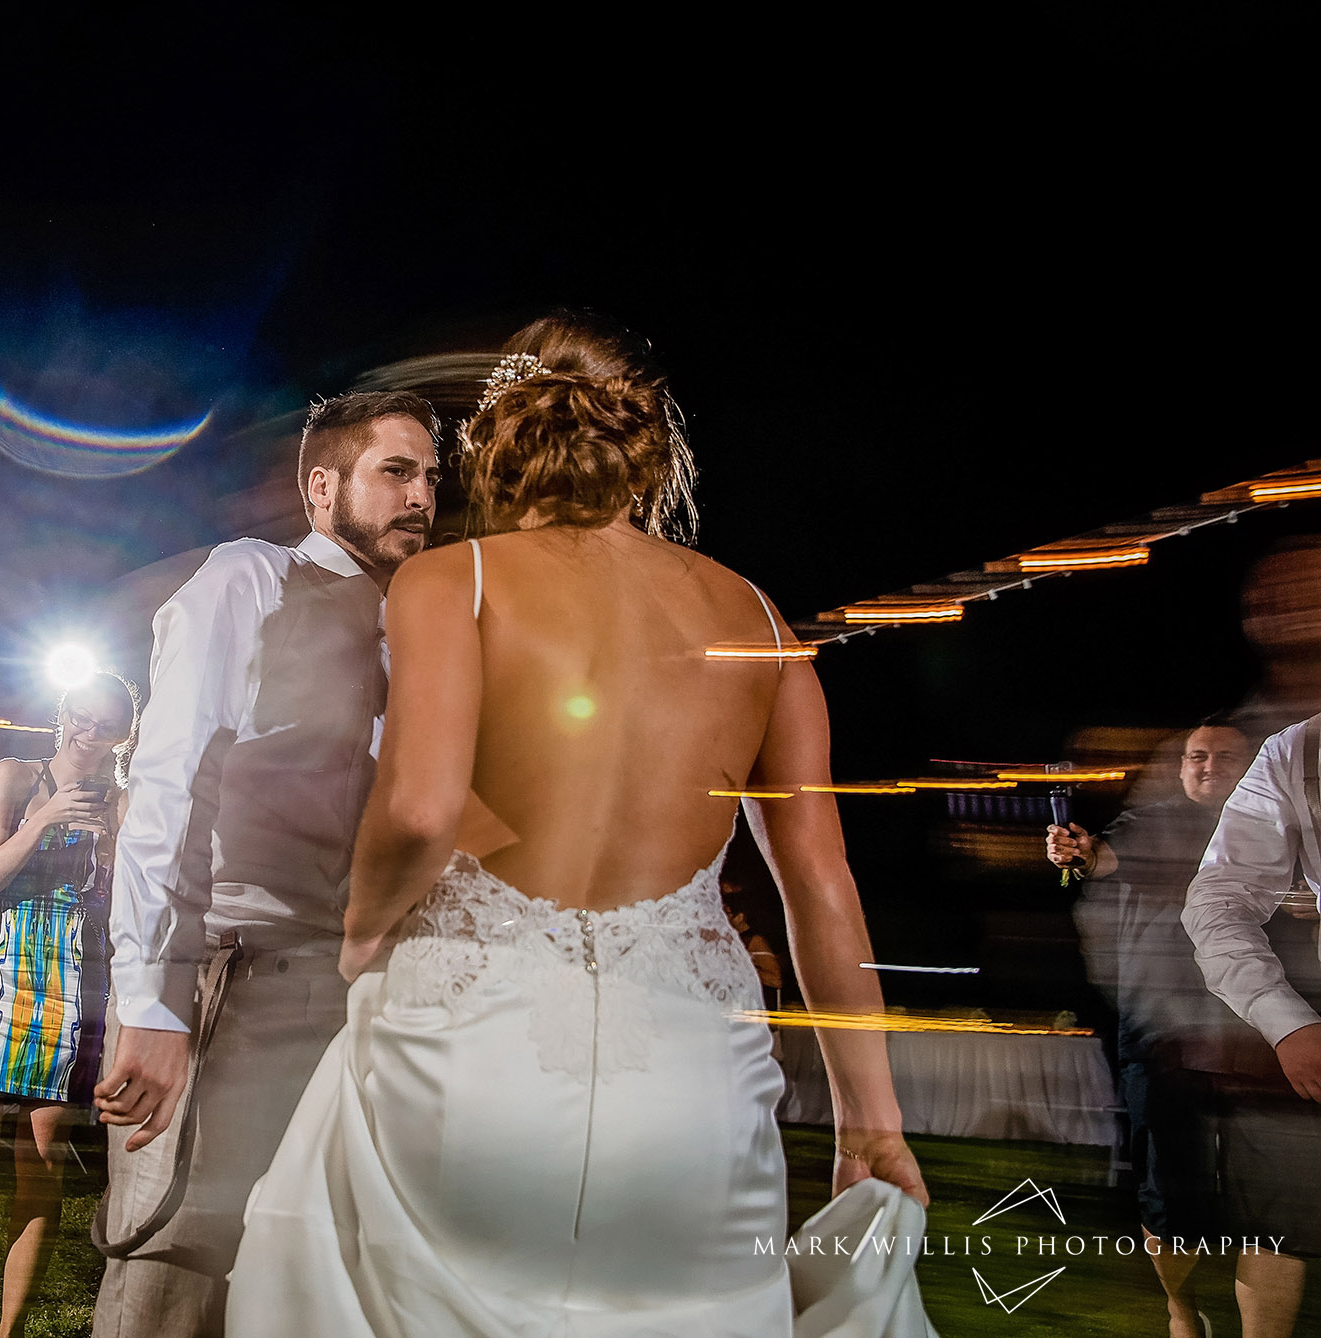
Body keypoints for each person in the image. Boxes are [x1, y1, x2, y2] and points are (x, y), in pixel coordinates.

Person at [226, 313, 926, 1336]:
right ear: (648, 451)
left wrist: (365, 931)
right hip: (689, 1075)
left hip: (470, 1053)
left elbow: (420, 809)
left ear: (497, 450)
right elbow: (819, 886)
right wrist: (872, 1118)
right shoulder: (756, 619)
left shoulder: (452, 580)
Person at [89, 389, 441, 1337]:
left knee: (314, 1292)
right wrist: (154, 1002)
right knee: (172, 1271)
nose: (420, 497)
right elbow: (169, 785)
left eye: (430, 477)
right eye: (395, 472)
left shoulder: (427, 631)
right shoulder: (251, 577)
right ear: (322, 487)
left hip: (361, 1001)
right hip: (234, 978)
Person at [0, 672, 140, 1338]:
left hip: (76, 976)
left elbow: (129, 902)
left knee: (41, 1158)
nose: (88, 733)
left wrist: (112, 841)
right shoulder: (16, 776)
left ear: (123, 736)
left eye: (105, 726)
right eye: (81, 716)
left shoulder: (126, 801)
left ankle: (10, 1327)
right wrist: (45, 820)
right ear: (62, 714)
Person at [1050, 720, 1267, 1338]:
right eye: (1197, 756)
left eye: (1225, 757)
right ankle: (1181, 1309)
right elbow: (1100, 856)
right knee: (1168, 1193)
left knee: (1269, 1198)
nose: (1209, 766)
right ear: (1181, 768)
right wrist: (1077, 853)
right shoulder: (1155, 825)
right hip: (1162, 1039)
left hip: (1259, 1036)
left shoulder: (1279, 829)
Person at [1181, 712, 1321, 1338]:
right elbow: (1218, 898)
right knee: (1279, 1219)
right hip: (1283, 1031)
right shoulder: (1297, 751)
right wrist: (1285, 1021)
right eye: (1197, 756)